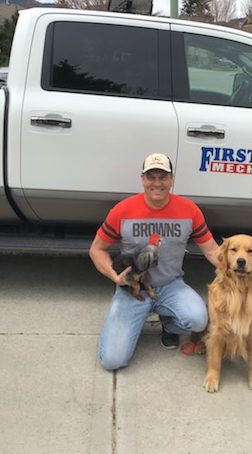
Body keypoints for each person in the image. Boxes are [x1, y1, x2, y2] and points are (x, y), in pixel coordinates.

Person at [89, 152, 219, 371]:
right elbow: (97, 249)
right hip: (133, 289)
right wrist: (114, 276)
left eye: (163, 177)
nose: (157, 183)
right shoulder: (123, 210)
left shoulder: (189, 210)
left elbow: (213, 251)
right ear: (142, 179)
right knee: (112, 361)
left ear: (172, 179)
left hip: (171, 285)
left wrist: (250, 276)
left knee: (198, 320)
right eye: (151, 177)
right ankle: (136, 316)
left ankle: (169, 324)